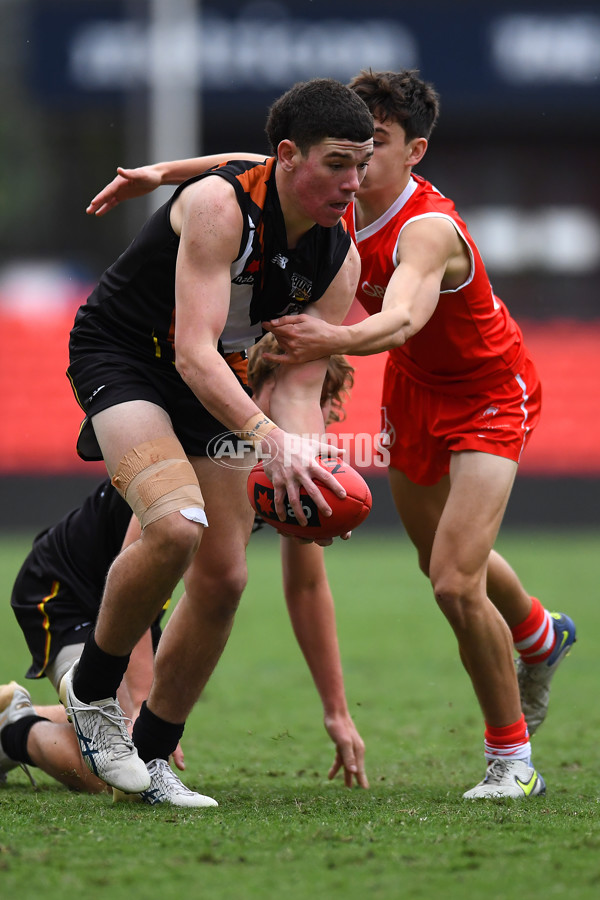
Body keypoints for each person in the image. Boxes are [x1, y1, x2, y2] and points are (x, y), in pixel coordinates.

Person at [86, 70, 576, 800]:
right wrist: (163, 173)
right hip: (390, 389)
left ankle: (512, 757)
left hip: (485, 393)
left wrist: (322, 367)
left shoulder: (412, 230)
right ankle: (537, 631)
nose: (358, 165)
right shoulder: (301, 201)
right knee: (426, 554)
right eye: (347, 152)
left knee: (447, 576)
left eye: (371, 147)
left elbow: (399, 322)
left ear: (415, 153)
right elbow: (249, 170)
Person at [60, 78, 374, 806]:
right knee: (174, 527)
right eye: (338, 163)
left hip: (217, 382)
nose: (354, 182)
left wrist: (309, 467)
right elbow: (194, 351)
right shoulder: (216, 205)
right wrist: (268, 438)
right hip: (128, 356)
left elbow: (296, 384)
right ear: (291, 156)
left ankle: (155, 758)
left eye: (362, 163)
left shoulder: (339, 257)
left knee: (227, 576)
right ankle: (94, 697)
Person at [0, 342, 367, 797]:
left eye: (328, 404)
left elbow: (308, 587)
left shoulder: (286, 470)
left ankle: (20, 712)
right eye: (315, 397)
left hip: (139, 609)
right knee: (112, 769)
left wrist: (337, 711)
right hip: (72, 590)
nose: (323, 418)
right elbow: (137, 576)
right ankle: (12, 731)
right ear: (265, 382)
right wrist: (135, 712)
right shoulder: (208, 440)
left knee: (121, 749)